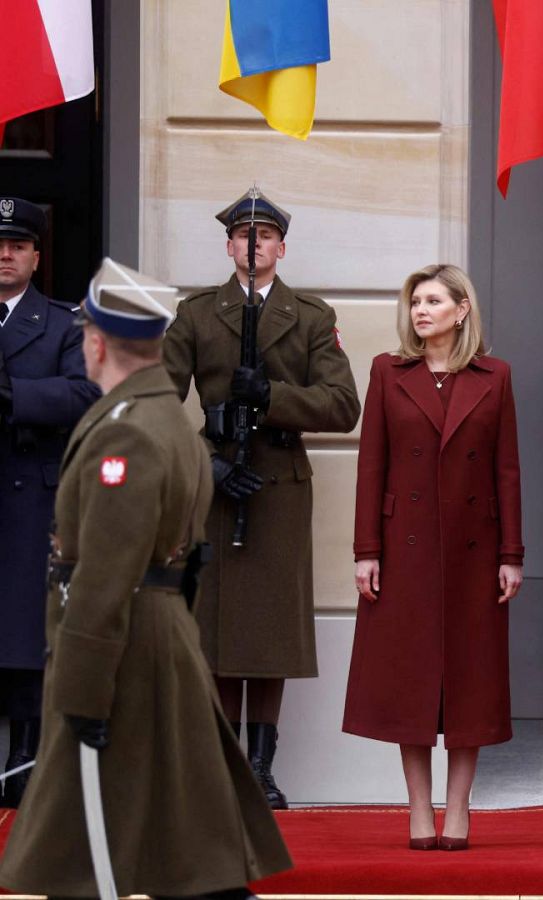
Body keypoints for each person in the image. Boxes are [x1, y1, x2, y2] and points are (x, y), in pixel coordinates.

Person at [0, 258, 291, 899]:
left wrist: (80, 690)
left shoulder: (126, 433)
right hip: (158, 641)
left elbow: (105, 575)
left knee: (83, 859)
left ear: (97, 343)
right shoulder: (165, 421)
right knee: (182, 851)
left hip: (122, 653)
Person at [163, 188, 361, 808]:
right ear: (229, 246)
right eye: (244, 237)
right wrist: (206, 464)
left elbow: (343, 405)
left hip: (277, 485)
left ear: (281, 247)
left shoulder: (310, 316)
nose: (254, 246)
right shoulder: (197, 314)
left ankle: (261, 769)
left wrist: (272, 396)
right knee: (218, 632)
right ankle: (224, 765)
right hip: (217, 482)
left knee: (270, 633)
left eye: (265, 236)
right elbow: (153, 405)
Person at [343, 264, 523, 851]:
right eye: (416, 302)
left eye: (433, 301)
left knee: (471, 680)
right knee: (410, 680)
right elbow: (371, 465)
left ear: (461, 310)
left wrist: (512, 553)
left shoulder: (495, 376)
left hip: (475, 550)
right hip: (406, 548)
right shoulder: (387, 371)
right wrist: (367, 551)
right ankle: (419, 807)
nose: (421, 311)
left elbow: (506, 470)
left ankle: (460, 806)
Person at [0, 197, 99, 808]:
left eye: (17, 245)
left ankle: (23, 761)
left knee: (24, 638)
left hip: (28, 498)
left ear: (36, 257)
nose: (5, 255)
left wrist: (15, 394)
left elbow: (87, 393)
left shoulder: (63, 324)